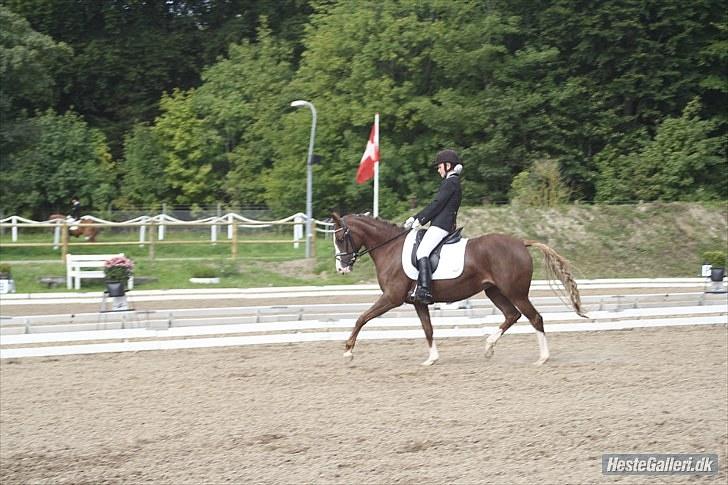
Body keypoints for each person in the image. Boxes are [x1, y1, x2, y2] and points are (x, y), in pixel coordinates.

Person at [404, 148, 463, 304]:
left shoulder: (451, 182)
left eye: (439, 166)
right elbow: (434, 205)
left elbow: (436, 204)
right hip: (440, 224)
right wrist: (415, 217)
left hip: (441, 226)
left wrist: (420, 220)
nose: (438, 169)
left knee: (422, 251)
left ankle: (424, 290)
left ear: (448, 165)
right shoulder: (450, 182)